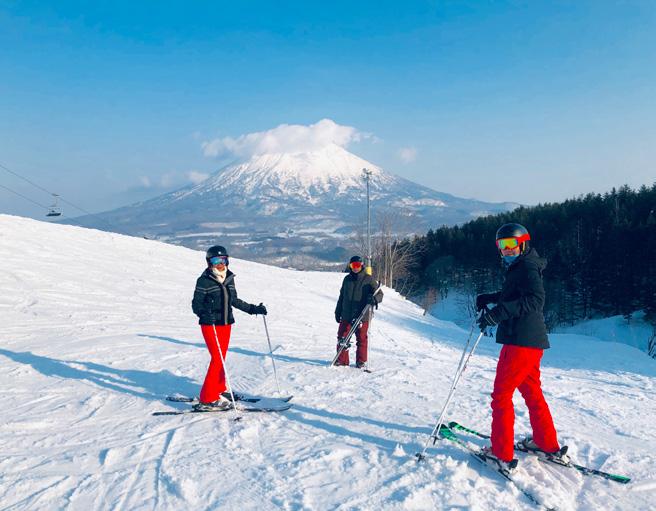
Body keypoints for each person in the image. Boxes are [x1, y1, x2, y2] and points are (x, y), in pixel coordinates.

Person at [475, 223, 563, 471]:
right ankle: (545, 443)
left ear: (523, 244)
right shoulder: (522, 266)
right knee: (532, 393)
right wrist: (491, 298)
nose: (506, 250)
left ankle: (501, 452)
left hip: (520, 342)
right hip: (530, 342)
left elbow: (535, 300)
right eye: (502, 246)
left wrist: (498, 313)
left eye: (511, 244)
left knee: (501, 396)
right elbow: (515, 295)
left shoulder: (527, 267)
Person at [191, 245, 267, 411]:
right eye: (216, 260)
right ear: (209, 262)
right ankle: (207, 399)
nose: (220, 264)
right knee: (217, 360)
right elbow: (196, 304)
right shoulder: (203, 280)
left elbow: (234, 300)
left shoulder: (229, 278)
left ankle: (219, 389)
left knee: (221, 359)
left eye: (223, 260)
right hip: (210, 325)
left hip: (226, 324)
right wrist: (204, 314)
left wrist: (253, 309)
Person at [334, 255, 383, 369]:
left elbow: (379, 294)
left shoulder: (368, 279)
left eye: (357, 265)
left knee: (361, 339)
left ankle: (361, 361)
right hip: (346, 314)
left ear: (361, 265)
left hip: (362, 315)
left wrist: (374, 299)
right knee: (342, 337)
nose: (355, 268)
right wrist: (338, 311)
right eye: (353, 265)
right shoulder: (347, 279)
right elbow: (342, 296)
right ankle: (341, 360)